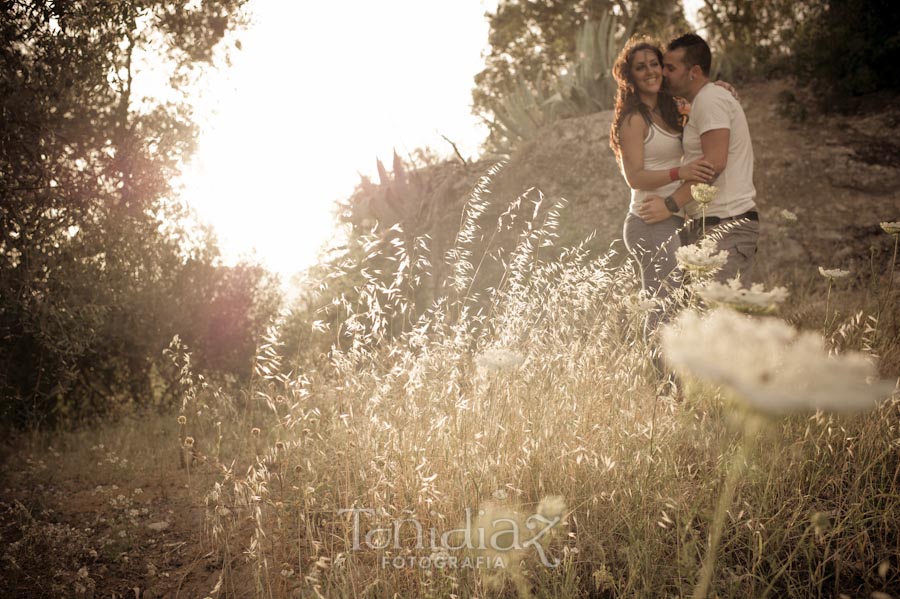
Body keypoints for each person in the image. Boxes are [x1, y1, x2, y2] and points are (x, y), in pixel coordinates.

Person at [609, 37, 716, 331]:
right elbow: (635, 177)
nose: (650, 71)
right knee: (663, 306)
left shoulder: (671, 110)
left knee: (678, 304)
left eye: (654, 64)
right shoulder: (633, 119)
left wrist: (723, 90)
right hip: (649, 220)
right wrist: (680, 172)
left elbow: (705, 97)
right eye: (640, 68)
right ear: (630, 76)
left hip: (673, 216)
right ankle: (662, 377)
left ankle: (672, 375)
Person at [638, 33, 759, 286]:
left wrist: (669, 204)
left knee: (718, 320)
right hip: (713, 226)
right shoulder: (705, 100)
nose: (664, 73)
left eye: (670, 68)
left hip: (726, 226)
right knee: (703, 319)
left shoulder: (710, 99)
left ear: (693, 71)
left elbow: (714, 164)